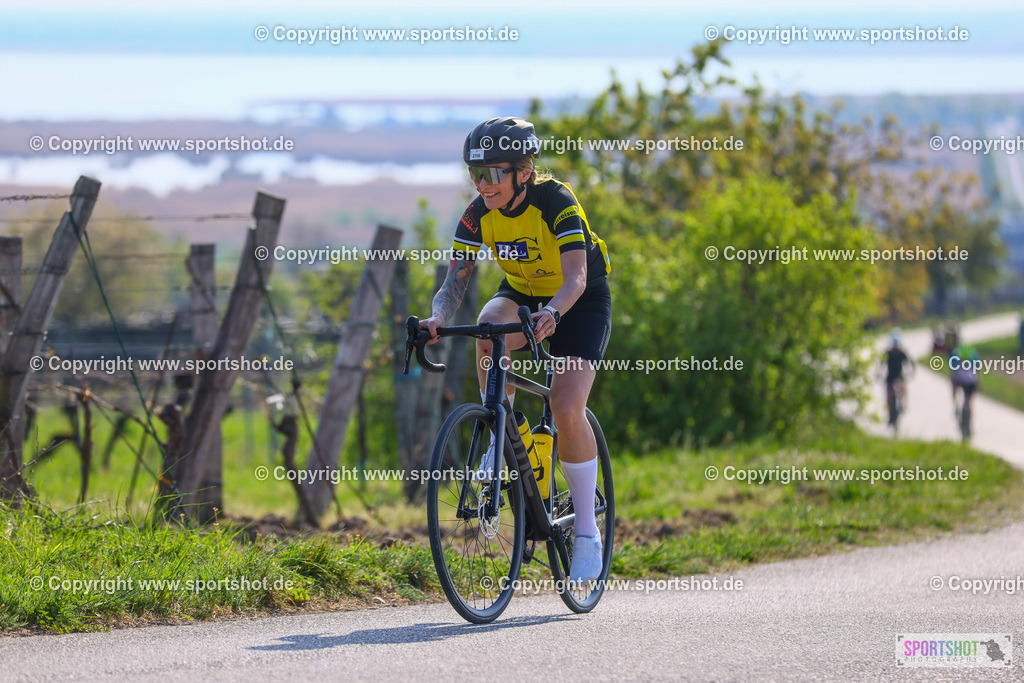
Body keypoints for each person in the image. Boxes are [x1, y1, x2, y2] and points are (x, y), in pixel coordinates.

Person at [420, 116, 612, 583]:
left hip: (579, 301)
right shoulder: (477, 213)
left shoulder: (557, 201)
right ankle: (501, 428)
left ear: (524, 171)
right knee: (488, 328)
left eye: (493, 173)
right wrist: (437, 318)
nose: (483, 184)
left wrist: (555, 315)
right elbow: (455, 282)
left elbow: (577, 278)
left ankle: (587, 530)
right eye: (475, 174)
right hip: (523, 293)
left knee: (566, 405)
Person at [882, 329, 914, 426]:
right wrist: (878, 373)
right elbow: (880, 364)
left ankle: (903, 404)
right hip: (890, 377)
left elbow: (910, 363)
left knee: (903, 387)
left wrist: (911, 372)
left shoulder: (902, 353)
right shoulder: (888, 353)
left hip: (899, 377)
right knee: (888, 395)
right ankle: (889, 414)